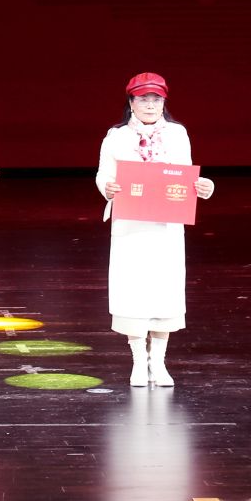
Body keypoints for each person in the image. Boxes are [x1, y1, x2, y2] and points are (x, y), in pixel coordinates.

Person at [96, 73, 215, 387]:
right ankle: (138, 361)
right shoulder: (116, 136)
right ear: (131, 102)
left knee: (165, 288)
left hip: (166, 225)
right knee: (132, 288)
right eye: (143, 99)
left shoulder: (177, 134)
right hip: (131, 223)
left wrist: (204, 186)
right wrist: (107, 187)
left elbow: (186, 175)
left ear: (164, 102)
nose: (150, 105)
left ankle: (158, 362)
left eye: (156, 99)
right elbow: (103, 175)